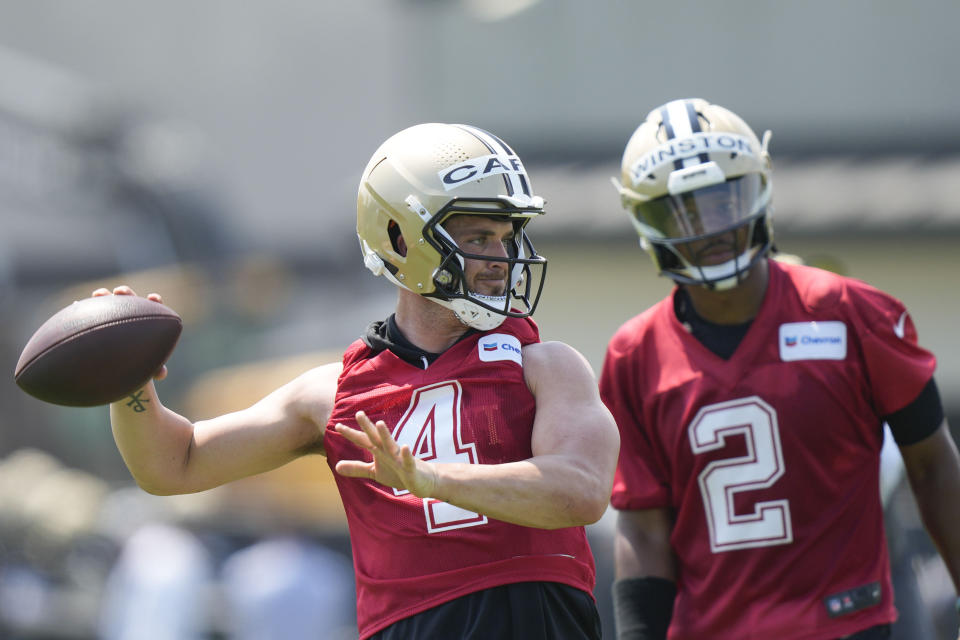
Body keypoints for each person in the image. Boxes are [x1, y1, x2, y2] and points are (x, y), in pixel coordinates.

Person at [96, 122, 620, 640]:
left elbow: (582, 491)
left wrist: (430, 480)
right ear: (399, 237)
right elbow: (173, 464)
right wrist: (129, 384)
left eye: (507, 238)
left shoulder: (545, 365)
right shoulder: (332, 392)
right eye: (480, 237)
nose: (501, 260)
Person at [600, 98, 960, 640]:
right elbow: (644, 528)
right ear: (647, 220)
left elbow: (934, 467)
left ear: (757, 189)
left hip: (847, 625)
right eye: (684, 210)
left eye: (723, 200)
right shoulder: (635, 353)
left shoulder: (855, 315)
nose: (711, 227)